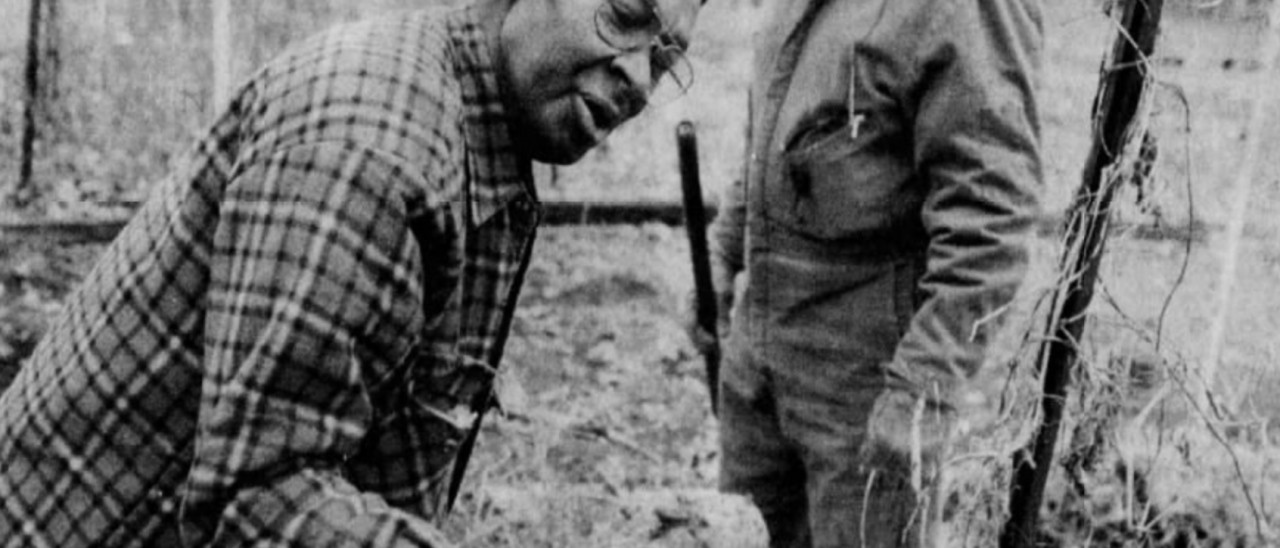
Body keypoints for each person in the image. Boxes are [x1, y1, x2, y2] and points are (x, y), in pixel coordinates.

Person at [0, 0, 700, 544]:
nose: (640, 79)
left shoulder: (486, 130)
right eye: (623, 15)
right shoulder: (374, 151)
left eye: (665, 56)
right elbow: (254, 503)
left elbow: (385, 476)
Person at [690, 0, 1044, 546]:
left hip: (866, 385)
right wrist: (724, 251)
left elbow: (990, 217)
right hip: (759, 359)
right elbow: (773, 129)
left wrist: (923, 389)